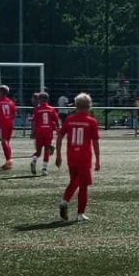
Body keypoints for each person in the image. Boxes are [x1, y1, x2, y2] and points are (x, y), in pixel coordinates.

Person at [58, 91, 101, 223]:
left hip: (71, 156)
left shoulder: (69, 119)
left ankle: (65, 201)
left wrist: (58, 155)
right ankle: (80, 214)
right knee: (83, 185)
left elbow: (59, 136)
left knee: (74, 181)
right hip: (84, 157)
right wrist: (98, 160)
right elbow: (95, 142)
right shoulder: (91, 121)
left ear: (76, 105)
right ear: (89, 106)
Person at [31, 91, 59, 175]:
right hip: (48, 132)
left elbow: (34, 121)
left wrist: (33, 131)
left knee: (38, 151)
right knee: (46, 151)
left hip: (39, 132)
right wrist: (58, 128)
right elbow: (56, 120)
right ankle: (44, 169)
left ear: (39, 100)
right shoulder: (51, 109)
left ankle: (34, 160)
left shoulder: (37, 109)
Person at [0, 85, 19, 172]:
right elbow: (15, 114)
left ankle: (9, 160)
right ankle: (7, 162)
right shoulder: (10, 102)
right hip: (10, 123)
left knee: (3, 141)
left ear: (1, 92)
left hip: (3, 124)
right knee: (7, 142)